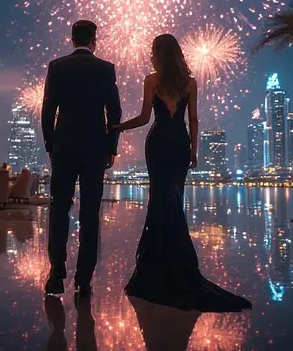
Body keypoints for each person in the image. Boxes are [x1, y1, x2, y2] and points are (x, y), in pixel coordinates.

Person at [112, 34, 251, 312]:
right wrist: (194, 151)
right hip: (179, 145)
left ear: (159, 54)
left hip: (158, 143)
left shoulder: (152, 80)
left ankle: (157, 266)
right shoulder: (190, 83)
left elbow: (143, 119)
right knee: (174, 200)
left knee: (159, 201)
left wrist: (116, 127)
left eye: (153, 51)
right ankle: (177, 263)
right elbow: (194, 119)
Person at [41, 20, 122, 297]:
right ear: (94, 40)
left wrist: (51, 144)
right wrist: (112, 147)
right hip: (95, 149)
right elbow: (115, 112)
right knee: (90, 213)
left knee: (59, 208)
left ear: (72, 39)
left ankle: (56, 275)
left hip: (64, 147)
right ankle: (84, 280)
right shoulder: (105, 68)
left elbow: (47, 110)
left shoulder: (57, 66)